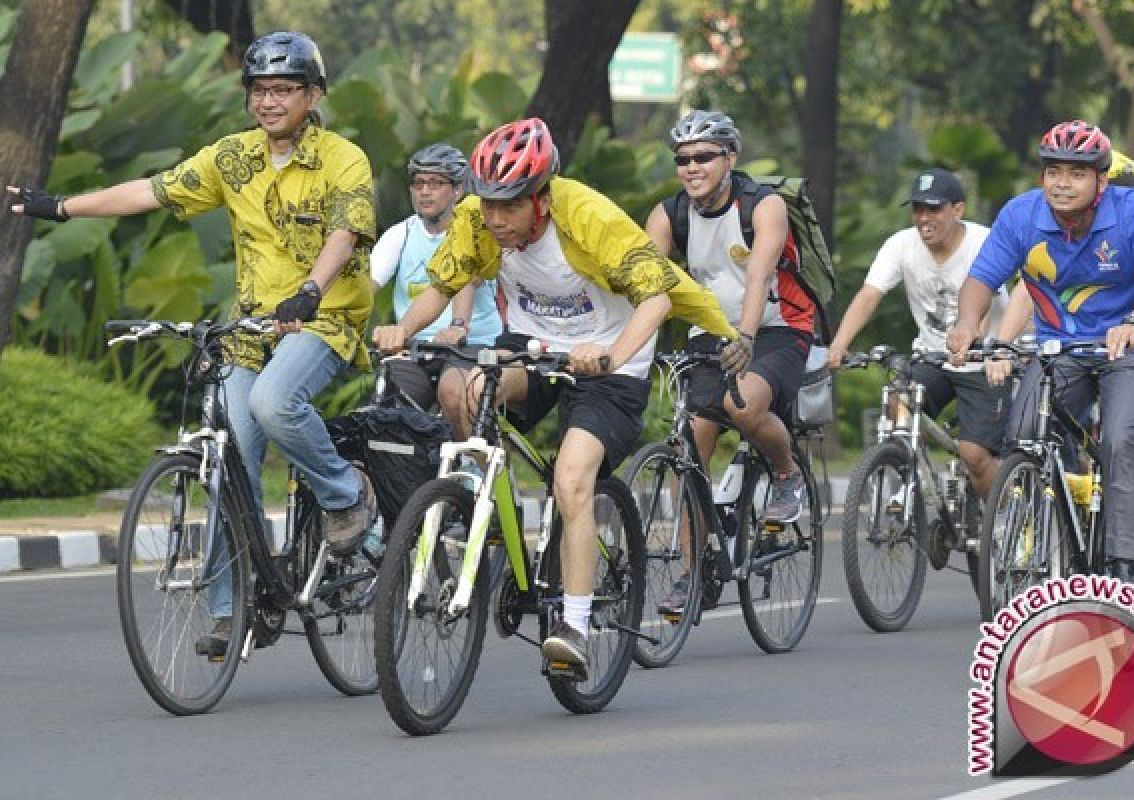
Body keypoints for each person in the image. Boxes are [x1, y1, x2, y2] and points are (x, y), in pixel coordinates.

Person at [8, 31, 378, 656]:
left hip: (322, 321)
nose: (269, 101)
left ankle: (348, 497)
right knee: (227, 465)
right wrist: (61, 207)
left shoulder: (344, 159)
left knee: (274, 404)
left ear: (313, 95)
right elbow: (151, 192)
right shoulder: (233, 158)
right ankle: (234, 613)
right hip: (250, 328)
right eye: (259, 90)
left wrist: (312, 292)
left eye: (284, 89)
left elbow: (345, 232)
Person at [373, 117, 741, 675]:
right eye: (488, 203)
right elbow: (442, 289)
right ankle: (490, 508)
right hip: (534, 349)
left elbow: (658, 300)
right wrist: (403, 329)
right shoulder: (477, 220)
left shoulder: (588, 217)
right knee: (460, 387)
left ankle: (573, 623)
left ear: (542, 199)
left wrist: (612, 355)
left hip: (609, 362)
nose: (495, 219)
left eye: (511, 205)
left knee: (572, 480)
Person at [948, 119, 1134, 596]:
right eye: (1053, 171)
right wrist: (967, 325)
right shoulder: (1021, 216)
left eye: (1076, 173)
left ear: (1101, 180)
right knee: (1022, 436)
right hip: (1062, 350)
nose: (1061, 183)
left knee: (1121, 440)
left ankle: (1128, 562)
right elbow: (981, 280)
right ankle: (1053, 528)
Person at [642, 109, 815, 611]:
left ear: (730, 158)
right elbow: (646, 282)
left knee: (742, 405)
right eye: (682, 159)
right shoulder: (668, 214)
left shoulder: (764, 206)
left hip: (780, 329)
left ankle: (786, 473)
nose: (692, 167)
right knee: (687, 453)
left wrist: (745, 334)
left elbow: (759, 276)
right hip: (710, 334)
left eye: (703, 157)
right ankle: (696, 573)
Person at [827, 167, 1010, 497]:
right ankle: (915, 498)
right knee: (898, 411)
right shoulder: (901, 245)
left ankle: (996, 525)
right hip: (933, 355)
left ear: (958, 209)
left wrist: (977, 345)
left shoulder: (984, 241)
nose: (924, 218)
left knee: (975, 456)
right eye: (918, 209)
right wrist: (839, 345)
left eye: (934, 209)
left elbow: (986, 301)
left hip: (985, 362)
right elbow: (870, 294)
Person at [370, 143, 502, 412]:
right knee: (389, 411)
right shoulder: (400, 234)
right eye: (418, 184)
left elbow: (462, 280)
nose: (425, 192)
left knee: (459, 401)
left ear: (458, 190)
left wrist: (458, 326)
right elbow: (367, 285)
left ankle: (475, 454)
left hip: (474, 346)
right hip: (415, 348)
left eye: (435, 183)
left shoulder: (477, 230)